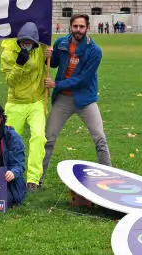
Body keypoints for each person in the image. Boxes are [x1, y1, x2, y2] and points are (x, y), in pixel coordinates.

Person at [40, 14, 112, 185]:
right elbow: (54, 63)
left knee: (99, 138)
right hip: (63, 100)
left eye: (81, 27)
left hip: (85, 99)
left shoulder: (95, 51)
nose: (78, 30)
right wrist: (47, 55)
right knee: (48, 139)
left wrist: (56, 84)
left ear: (87, 28)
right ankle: (37, 179)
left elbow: (83, 79)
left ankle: (110, 177)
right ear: (70, 27)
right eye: (75, 26)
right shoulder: (61, 43)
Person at [0, 22, 51, 192]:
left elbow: (53, 60)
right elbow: (10, 82)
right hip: (15, 103)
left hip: (36, 101)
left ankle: (33, 180)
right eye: (23, 42)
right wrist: (19, 65)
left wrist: (50, 55)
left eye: (30, 42)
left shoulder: (42, 46)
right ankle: (7, 173)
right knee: (9, 140)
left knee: (38, 137)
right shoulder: (8, 53)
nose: (26, 45)